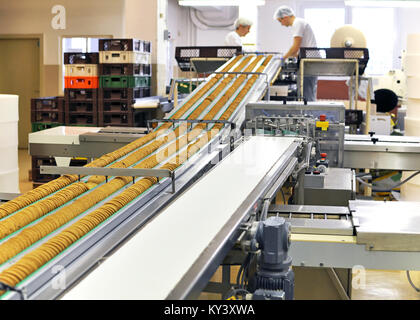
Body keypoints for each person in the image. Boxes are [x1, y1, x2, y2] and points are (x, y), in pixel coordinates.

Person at [274, 6, 318, 101]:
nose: (281, 24)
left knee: (307, 94)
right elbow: (296, 51)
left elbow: (295, 48)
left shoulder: (297, 23)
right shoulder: (299, 23)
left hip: (309, 61)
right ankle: (307, 113)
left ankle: (309, 114)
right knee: (306, 92)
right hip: (308, 60)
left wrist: (282, 59)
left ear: (285, 17)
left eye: (280, 21)